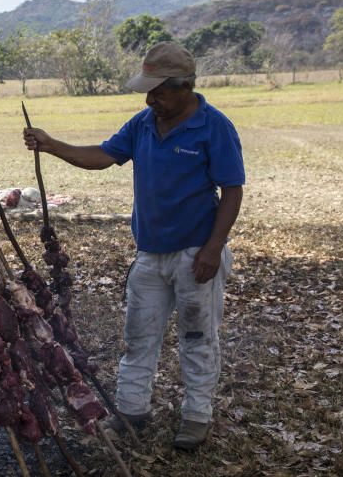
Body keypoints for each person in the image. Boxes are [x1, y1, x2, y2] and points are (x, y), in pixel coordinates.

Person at [22, 41, 244, 450]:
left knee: (197, 338)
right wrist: (52, 145)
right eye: (149, 90)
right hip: (149, 254)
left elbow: (232, 190)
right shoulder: (143, 123)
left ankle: (196, 418)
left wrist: (214, 249)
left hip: (196, 254)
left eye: (159, 91)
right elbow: (103, 156)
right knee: (138, 337)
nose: (150, 98)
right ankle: (132, 412)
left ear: (185, 87)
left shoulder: (214, 126)